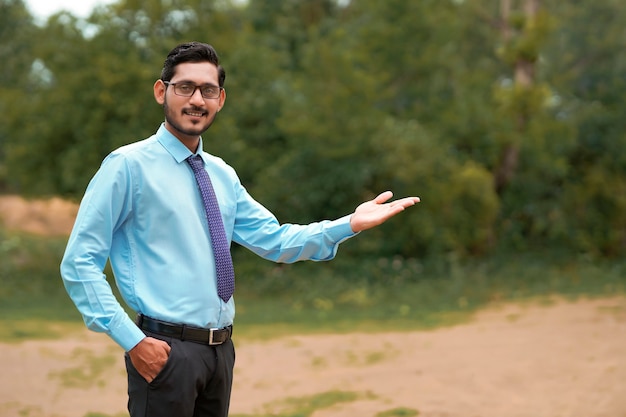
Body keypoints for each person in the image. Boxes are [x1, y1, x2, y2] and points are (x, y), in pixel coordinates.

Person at [60, 41, 420, 417]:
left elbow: (275, 240)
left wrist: (348, 224)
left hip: (220, 353)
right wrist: (134, 342)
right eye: (185, 87)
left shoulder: (222, 175)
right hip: (164, 351)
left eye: (208, 90)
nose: (197, 99)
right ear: (161, 91)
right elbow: (79, 262)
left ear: (221, 99)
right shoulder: (127, 167)